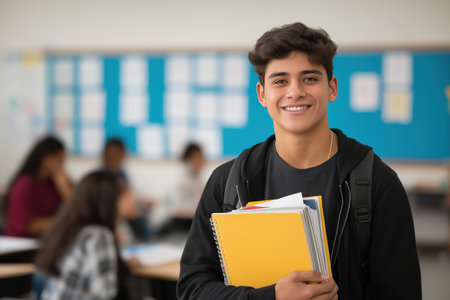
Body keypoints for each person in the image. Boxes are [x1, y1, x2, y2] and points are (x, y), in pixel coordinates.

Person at [177, 23, 421, 300]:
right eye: (280, 81)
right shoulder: (228, 181)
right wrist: (272, 297)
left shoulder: (377, 183)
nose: (294, 91)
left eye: (309, 79)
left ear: (331, 88)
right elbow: (192, 288)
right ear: (262, 95)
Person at [35, 171, 133, 300]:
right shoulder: (99, 235)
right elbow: (104, 295)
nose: (130, 196)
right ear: (108, 200)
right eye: (123, 193)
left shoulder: (74, 230)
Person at [3, 136, 73, 238]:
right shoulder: (24, 184)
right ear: (45, 158)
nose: (61, 166)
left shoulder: (53, 185)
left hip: (44, 241)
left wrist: (65, 188)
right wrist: (60, 222)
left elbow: (76, 210)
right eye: (59, 160)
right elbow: (24, 226)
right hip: (22, 243)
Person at [100, 137, 152, 241]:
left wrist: (139, 203)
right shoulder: (100, 176)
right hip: (109, 212)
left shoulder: (122, 173)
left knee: (141, 217)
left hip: (123, 212)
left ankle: (146, 244)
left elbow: (128, 194)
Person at [159, 143, 205, 235]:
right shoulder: (182, 178)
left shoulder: (196, 178)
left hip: (189, 220)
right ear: (189, 159)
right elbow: (177, 208)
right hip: (180, 222)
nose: (202, 161)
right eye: (198, 158)